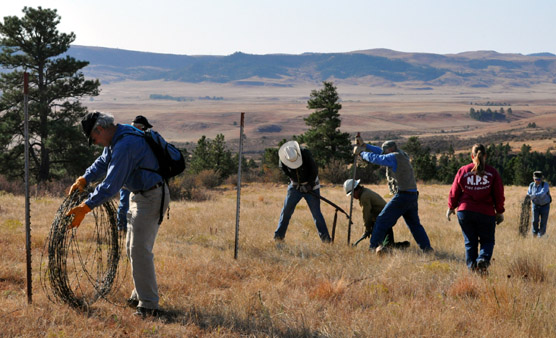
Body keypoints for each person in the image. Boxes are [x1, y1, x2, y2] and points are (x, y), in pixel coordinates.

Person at [66, 112, 169, 318]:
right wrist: (84, 179)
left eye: (93, 139)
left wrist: (86, 207)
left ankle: (149, 306)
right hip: (139, 196)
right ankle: (140, 295)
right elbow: (102, 163)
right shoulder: (117, 137)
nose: (95, 143)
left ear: (100, 130)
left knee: (140, 250)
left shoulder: (125, 145)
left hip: (151, 197)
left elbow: (111, 185)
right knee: (132, 249)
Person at [354, 138, 433, 253]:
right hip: (412, 195)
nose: (383, 152)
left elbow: (378, 158)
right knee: (415, 225)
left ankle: (372, 248)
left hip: (403, 196)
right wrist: (365, 145)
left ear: (390, 149)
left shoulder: (393, 157)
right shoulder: (402, 154)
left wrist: (361, 153)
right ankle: (427, 249)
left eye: (385, 150)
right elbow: (379, 152)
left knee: (381, 220)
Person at [446, 144, 505, 273]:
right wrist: (499, 211)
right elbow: (499, 194)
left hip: (465, 212)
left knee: (470, 243)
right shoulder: (492, 172)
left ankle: (473, 270)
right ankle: (483, 260)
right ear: (485, 156)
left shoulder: (463, 170)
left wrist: (451, 207)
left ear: (472, 156)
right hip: (486, 213)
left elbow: (454, 191)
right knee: (487, 241)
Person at [274, 140, 332, 242]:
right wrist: (294, 181)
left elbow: (314, 170)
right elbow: (283, 169)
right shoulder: (283, 157)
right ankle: (278, 237)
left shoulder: (305, 153)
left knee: (316, 215)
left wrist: (309, 185)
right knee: (286, 212)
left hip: (311, 187)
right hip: (295, 188)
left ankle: (326, 240)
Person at [344, 179, 410, 249]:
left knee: (378, 246)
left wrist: (367, 229)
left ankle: (379, 247)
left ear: (355, 190)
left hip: (385, 219)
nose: (352, 197)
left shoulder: (364, 196)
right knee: (388, 245)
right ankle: (403, 245)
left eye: (352, 194)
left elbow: (367, 215)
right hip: (386, 218)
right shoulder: (364, 192)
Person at [117, 115, 154, 231]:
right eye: (145, 128)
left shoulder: (127, 137)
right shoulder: (135, 139)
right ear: (140, 127)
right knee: (125, 204)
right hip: (129, 178)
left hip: (128, 178)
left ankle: (127, 228)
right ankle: (122, 228)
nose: (146, 131)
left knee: (128, 204)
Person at [527, 171, 551, 237]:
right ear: (533, 178)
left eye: (539, 179)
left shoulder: (545, 184)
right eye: (536, 179)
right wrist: (528, 197)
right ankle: (534, 235)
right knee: (534, 221)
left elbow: (542, 193)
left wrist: (533, 196)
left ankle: (541, 236)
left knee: (543, 222)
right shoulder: (531, 185)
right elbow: (528, 193)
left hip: (545, 206)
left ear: (541, 179)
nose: (537, 181)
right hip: (535, 206)